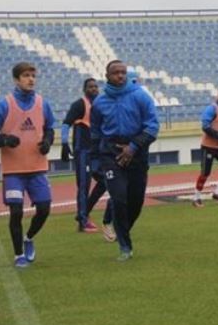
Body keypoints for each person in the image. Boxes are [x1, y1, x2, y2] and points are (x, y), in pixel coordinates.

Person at [0, 62, 56, 268]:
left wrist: (47, 142)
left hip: (37, 168)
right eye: (26, 75)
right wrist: (4, 139)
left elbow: (50, 128)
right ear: (16, 79)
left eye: (33, 75)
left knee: (44, 209)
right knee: (16, 212)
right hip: (13, 171)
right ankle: (18, 255)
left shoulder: (42, 103)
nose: (31, 79)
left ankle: (28, 237)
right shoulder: (4, 104)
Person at [89, 60, 159, 261]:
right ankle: (125, 246)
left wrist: (133, 146)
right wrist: (95, 162)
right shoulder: (99, 103)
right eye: (115, 73)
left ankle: (122, 231)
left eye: (123, 72)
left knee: (136, 202)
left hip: (137, 154)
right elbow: (95, 133)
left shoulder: (141, 96)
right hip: (111, 155)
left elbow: (153, 127)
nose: (120, 76)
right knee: (118, 198)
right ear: (107, 76)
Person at [61, 78, 111, 234]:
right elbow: (66, 123)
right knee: (84, 186)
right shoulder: (79, 105)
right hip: (83, 151)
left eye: (96, 86)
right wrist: (64, 143)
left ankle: (83, 212)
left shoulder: (101, 105)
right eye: (90, 87)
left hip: (96, 152)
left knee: (104, 181)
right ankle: (83, 222)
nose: (94, 89)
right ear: (84, 89)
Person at [192, 86, 218, 207]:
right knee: (205, 173)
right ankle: (196, 198)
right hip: (208, 146)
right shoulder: (212, 109)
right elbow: (205, 126)